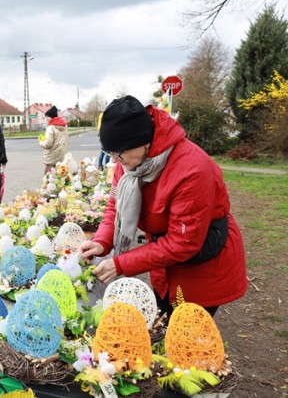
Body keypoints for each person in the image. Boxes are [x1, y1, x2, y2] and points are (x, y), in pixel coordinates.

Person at [77, 95, 247, 317]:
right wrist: (101, 242)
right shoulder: (129, 163)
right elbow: (115, 207)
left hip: (202, 265)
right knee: (163, 318)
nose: (116, 161)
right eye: (111, 154)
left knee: (188, 334)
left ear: (144, 142)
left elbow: (182, 242)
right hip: (164, 258)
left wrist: (120, 264)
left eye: (119, 154)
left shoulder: (192, 169)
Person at [38, 105, 69, 174]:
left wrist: (41, 142)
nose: (46, 119)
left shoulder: (50, 128)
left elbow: (48, 144)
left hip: (52, 158)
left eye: (47, 117)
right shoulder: (64, 127)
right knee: (60, 178)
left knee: (48, 179)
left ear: (51, 117)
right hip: (62, 157)